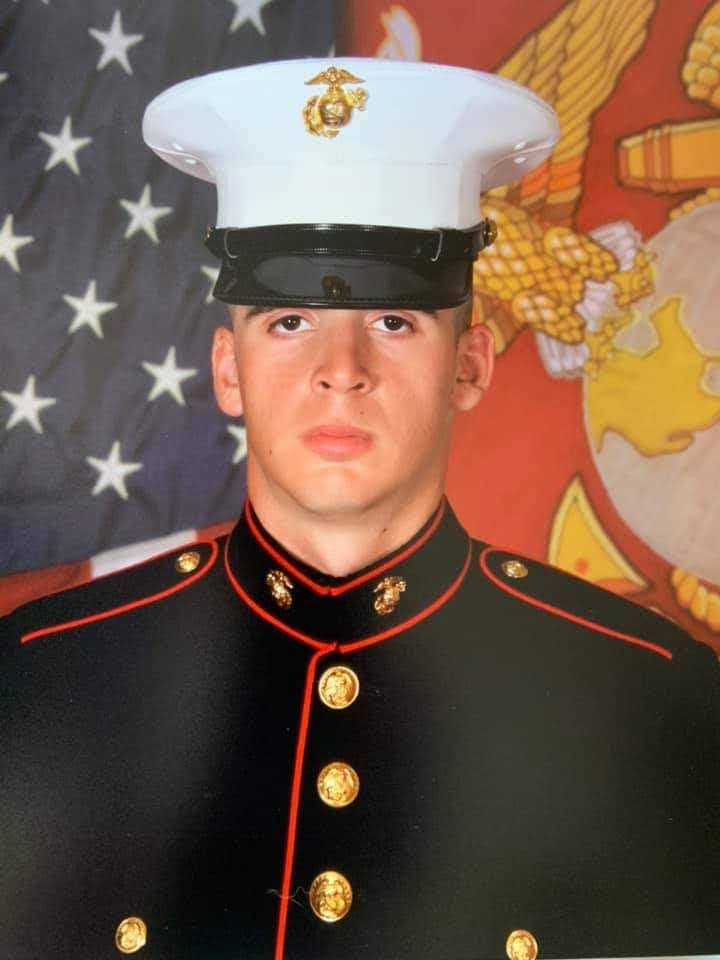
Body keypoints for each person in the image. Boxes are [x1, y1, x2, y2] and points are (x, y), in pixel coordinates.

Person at [2, 58, 719, 960]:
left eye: (395, 321)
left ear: (470, 366)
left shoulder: (659, 706)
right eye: (289, 322)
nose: (341, 369)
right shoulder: (33, 687)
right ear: (229, 370)